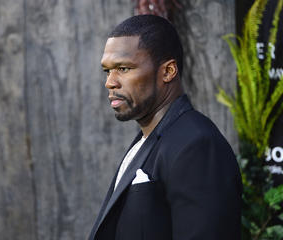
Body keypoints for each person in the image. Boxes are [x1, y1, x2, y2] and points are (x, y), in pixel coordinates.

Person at [89, 15, 242, 240]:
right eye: (107, 70)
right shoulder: (147, 139)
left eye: (123, 68)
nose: (110, 82)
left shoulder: (196, 144)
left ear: (168, 71)